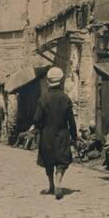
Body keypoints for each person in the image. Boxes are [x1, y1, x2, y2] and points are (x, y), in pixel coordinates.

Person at [32, 67, 77, 200]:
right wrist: (74, 137)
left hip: (47, 135)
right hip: (62, 134)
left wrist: (38, 127)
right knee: (62, 161)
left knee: (49, 161)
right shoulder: (66, 99)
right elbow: (71, 121)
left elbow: (36, 119)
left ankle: (51, 185)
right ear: (61, 80)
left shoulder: (43, 99)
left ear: (48, 81)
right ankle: (58, 183)